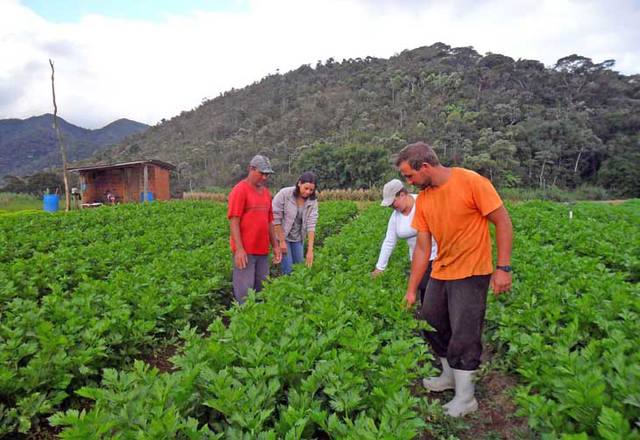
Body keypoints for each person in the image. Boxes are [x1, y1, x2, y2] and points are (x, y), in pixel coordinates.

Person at [396, 141, 513, 418]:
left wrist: (503, 267)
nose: (408, 182)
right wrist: (412, 289)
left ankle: (466, 397)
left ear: (424, 167)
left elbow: (503, 221)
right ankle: (449, 376)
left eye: (409, 176)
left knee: (465, 331)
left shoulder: (471, 182)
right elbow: (423, 248)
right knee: (431, 321)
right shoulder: (424, 200)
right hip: (442, 269)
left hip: (472, 271)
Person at [371, 179, 437, 305]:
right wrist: (380, 267)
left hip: (437, 256)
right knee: (424, 292)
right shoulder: (396, 216)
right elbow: (389, 241)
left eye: (393, 203)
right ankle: (427, 318)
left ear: (402, 194)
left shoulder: (423, 203)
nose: (392, 207)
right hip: (418, 259)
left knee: (436, 294)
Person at [227, 154, 282, 304]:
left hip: (262, 251)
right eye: (262, 173)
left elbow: (269, 221)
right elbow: (234, 221)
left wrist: (275, 246)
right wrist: (239, 249)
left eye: (267, 174)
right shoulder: (240, 190)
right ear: (251, 169)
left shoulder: (266, 193)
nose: (264, 177)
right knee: (244, 294)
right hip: (246, 252)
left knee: (262, 290)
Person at [272, 172, 319, 274]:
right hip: (282, 235)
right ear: (299, 183)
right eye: (306, 188)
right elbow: (276, 218)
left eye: (311, 190)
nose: (308, 192)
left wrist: (310, 250)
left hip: (298, 237)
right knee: (288, 269)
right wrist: (281, 241)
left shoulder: (312, 201)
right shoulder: (284, 194)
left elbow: (311, 224)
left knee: (299, 268)